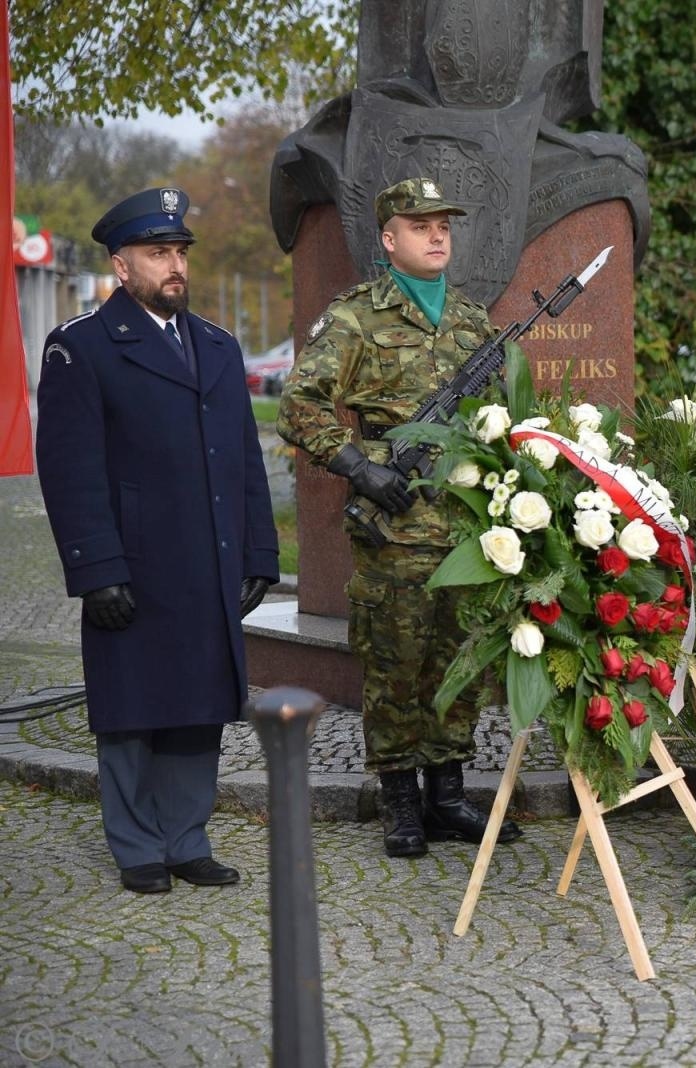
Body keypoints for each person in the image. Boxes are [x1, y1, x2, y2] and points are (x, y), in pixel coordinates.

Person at [35, 187, 279, 894]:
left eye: (178, 252)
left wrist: (260, 551)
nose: (174, 266)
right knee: (134, 708)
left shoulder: (217, 345)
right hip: (134, 565)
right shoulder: (81, 348)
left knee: (199, 704)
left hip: (209, 559)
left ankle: (186, 837)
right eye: (157, 253)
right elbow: (70, 470)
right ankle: (138, 845)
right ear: (120, 265)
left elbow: (244, 461)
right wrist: (95, 568)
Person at [277, 177, 523, 858]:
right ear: (389, 240)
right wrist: (359, 468)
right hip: (395, 527)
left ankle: (448, 795)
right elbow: (300, 405)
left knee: (458, 658)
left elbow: (500, 416)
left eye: (444, 224)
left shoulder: (474, 321)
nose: (437, 234)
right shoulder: (357, 317)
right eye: (420, 225)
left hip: (468, 528)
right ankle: (401, 802)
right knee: (396, 662)